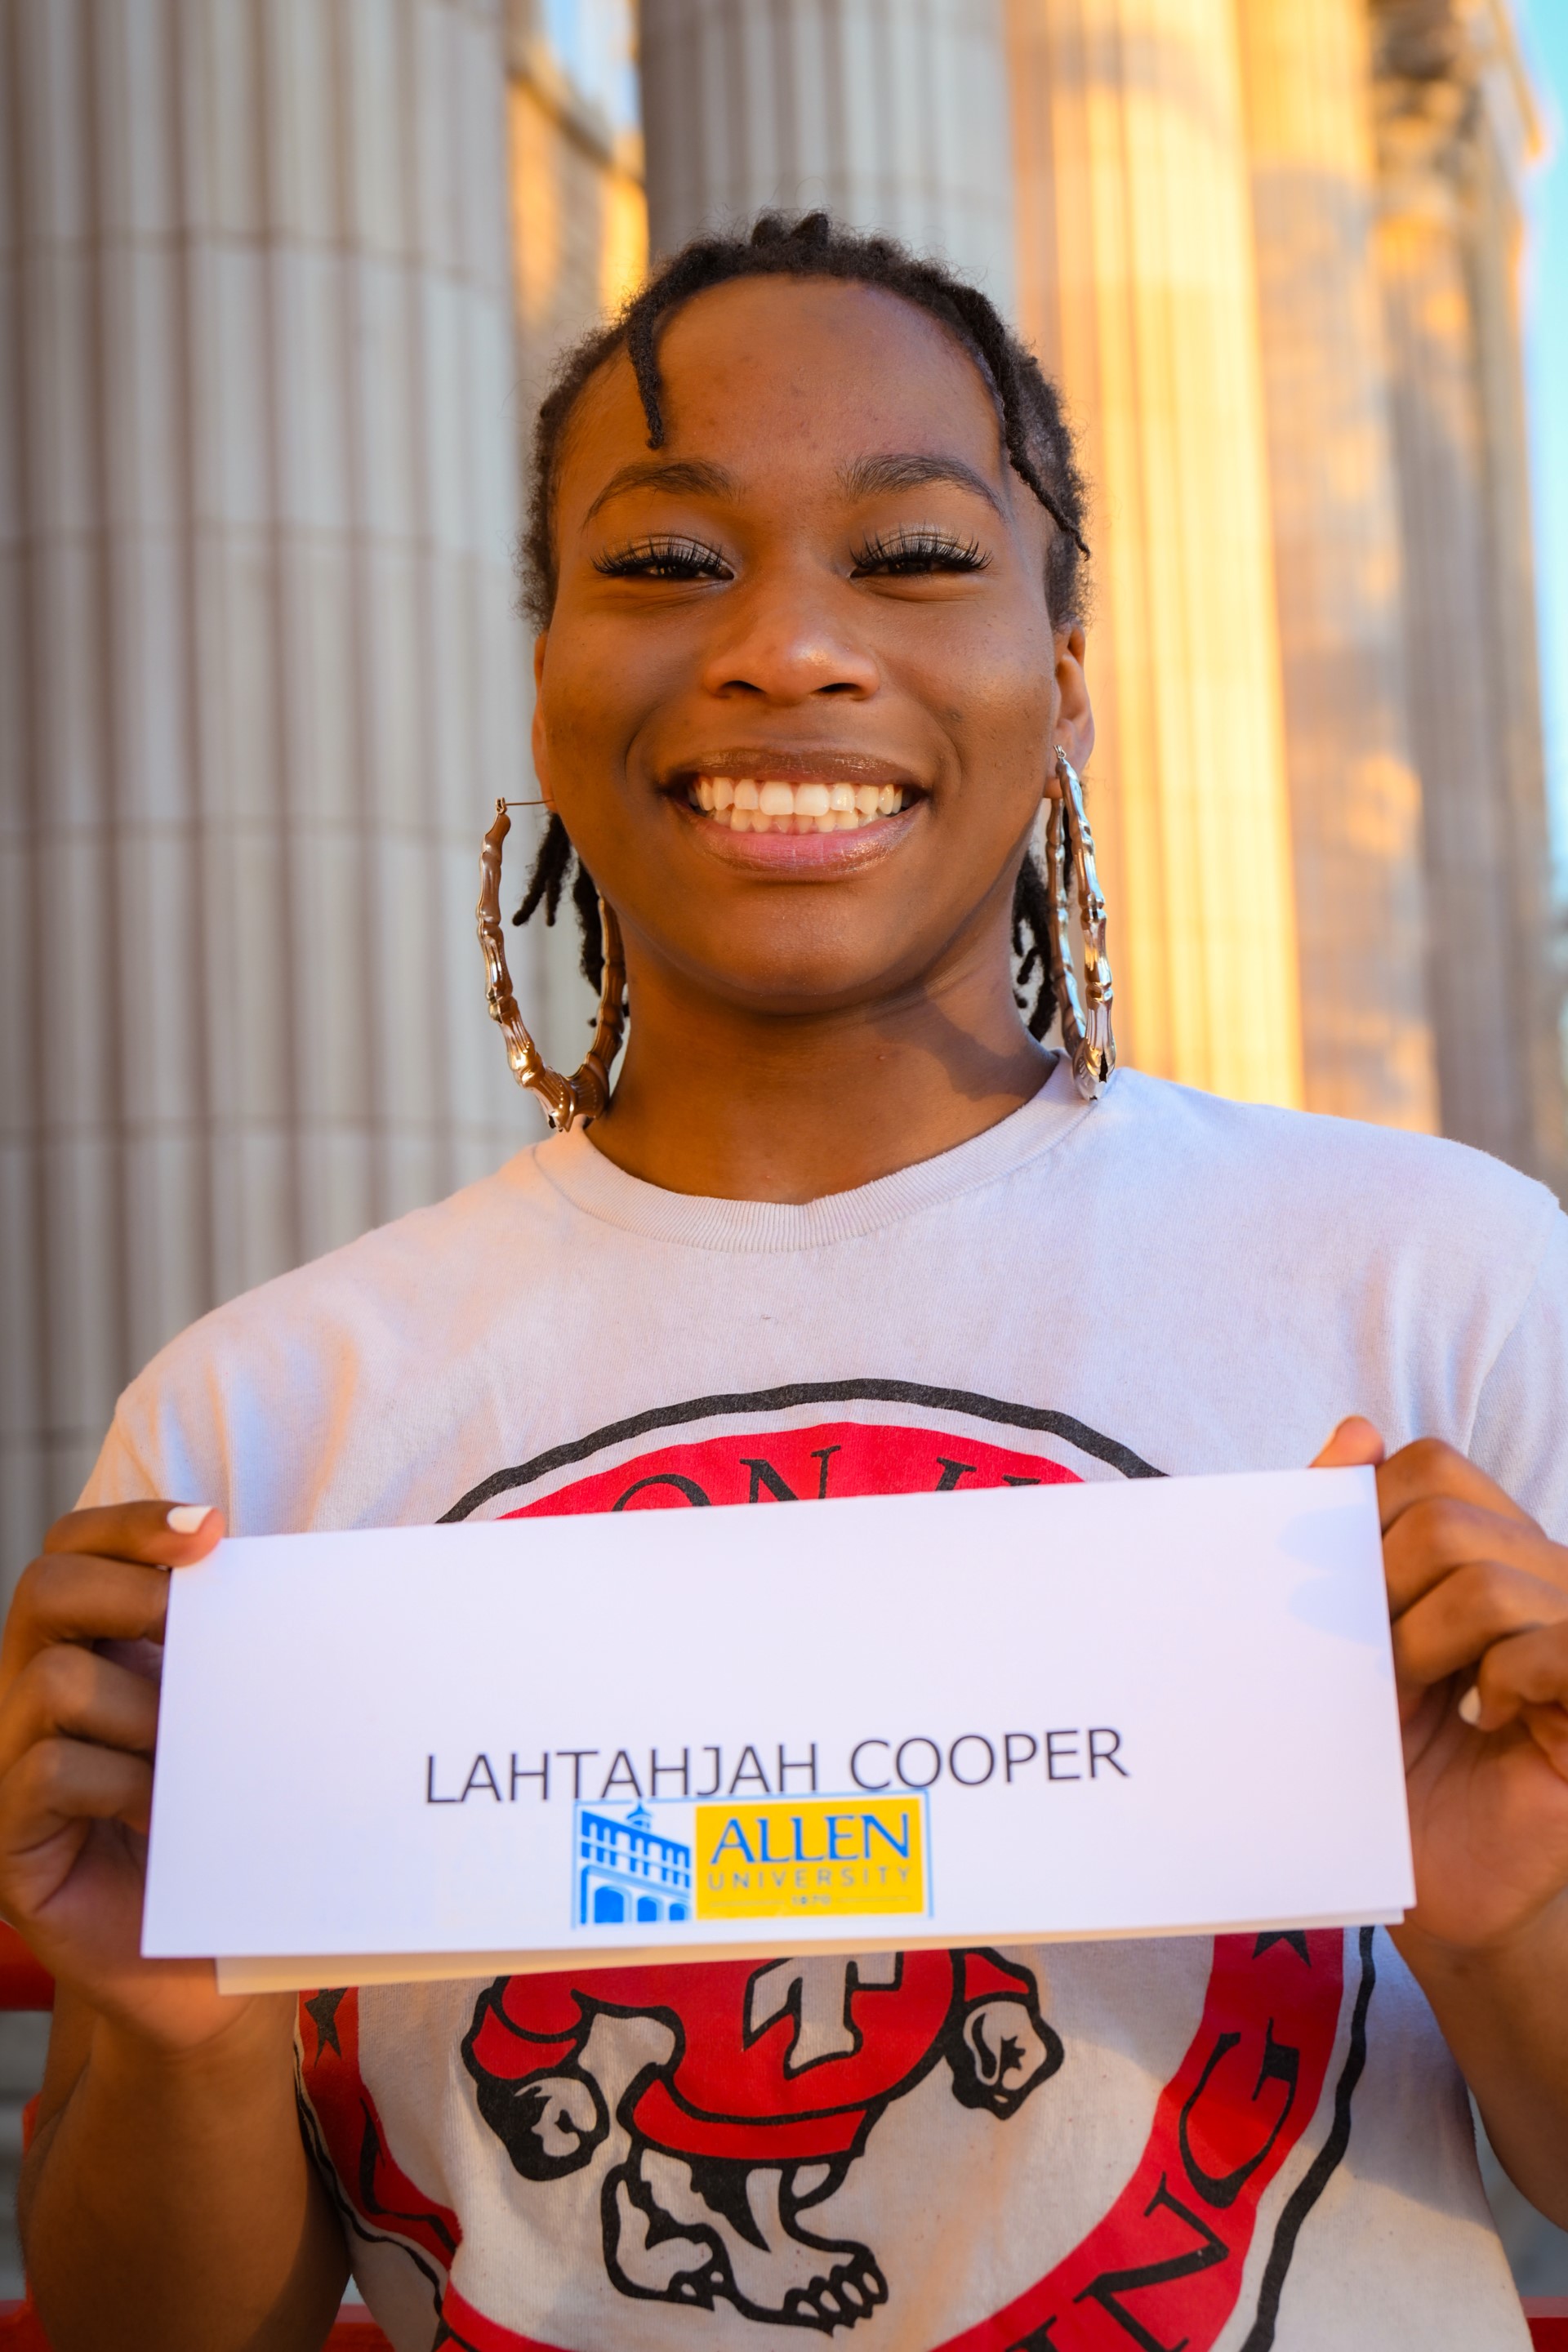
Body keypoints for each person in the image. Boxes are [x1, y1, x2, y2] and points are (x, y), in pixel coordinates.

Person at [2, 211, 1566, 2352]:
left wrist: (1514, 1922)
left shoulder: (1443, 1289)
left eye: (913, 557)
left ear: (1071, 679)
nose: (787, 649)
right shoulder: (262, 1424)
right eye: (664, 564)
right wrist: (171, 2029)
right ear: (546, 678)